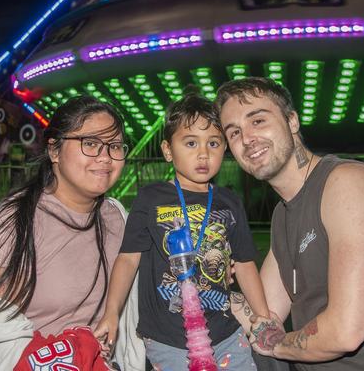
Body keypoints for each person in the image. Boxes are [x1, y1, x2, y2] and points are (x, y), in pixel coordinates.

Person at [216, 77, 364, 370]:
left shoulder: (347, 184)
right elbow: (264, 315)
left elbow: (345, 332)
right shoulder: (282, 215)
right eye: (234, 133)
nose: (247, 138)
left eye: (258, 120)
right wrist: (204, 281)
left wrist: (276, 344)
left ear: (292, 120)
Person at [0, 96, 145, 371]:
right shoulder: (13, 222)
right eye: (91, 144)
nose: (105, 157)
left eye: (114, 146)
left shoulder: (118, 218)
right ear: (54, 151)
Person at [95, 92, 270, 370]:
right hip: (168, 340)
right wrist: (111, 314)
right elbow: (128, 259)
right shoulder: (150, 198)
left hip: (225, 333)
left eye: (213, 143)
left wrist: (263, 317)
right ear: (167, 150)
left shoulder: (229, 201)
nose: (203, 154)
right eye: (190, 143)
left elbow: (246, 263)